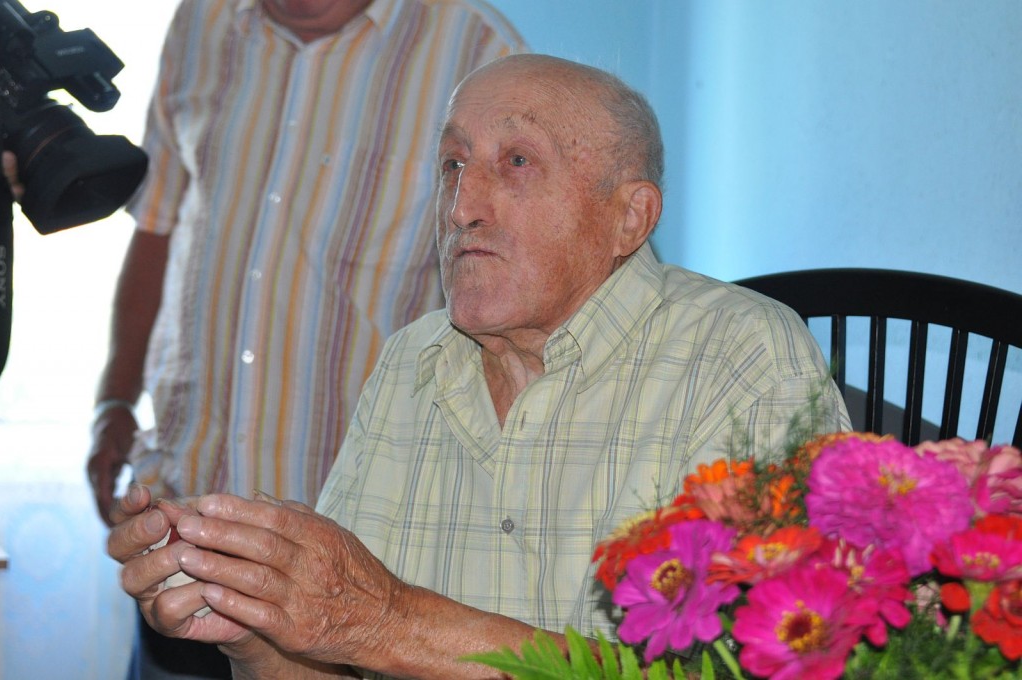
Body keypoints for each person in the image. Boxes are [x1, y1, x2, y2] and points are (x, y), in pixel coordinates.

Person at [108, 53, 850, 679]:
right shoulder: (413, 361)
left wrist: (384, 621)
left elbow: (761, 667)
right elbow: (334, 652)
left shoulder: (740, 353)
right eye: (452, 165)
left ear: (629, 217)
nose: (462, 205)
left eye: (516, 162)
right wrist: (252, 624)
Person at [68, 0, 524, 677]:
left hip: (358, 575)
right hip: (181, 535)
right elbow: (158, 225)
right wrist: (114, 400)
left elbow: (524, 297)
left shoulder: (482, 52)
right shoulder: (201, 23)